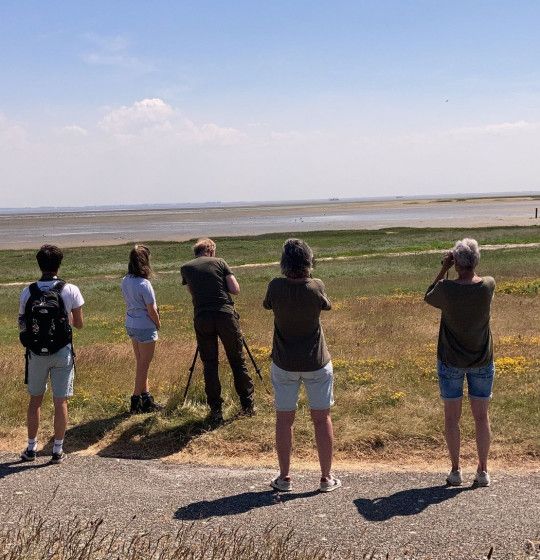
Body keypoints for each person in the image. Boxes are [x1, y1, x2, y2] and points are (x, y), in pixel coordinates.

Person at [263, 238, 341, 493]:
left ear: (284, 263)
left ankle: (284, 478)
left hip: (284, 362)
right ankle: (326, 478)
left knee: (284, 420)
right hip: (316, 361)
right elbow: (326, 305)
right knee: (322, 419)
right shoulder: (315, 286)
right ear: (309, 261)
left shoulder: (275, 286)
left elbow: (267, 304)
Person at [425, 238, 495, 487]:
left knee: (452, 418)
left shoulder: (446, 289)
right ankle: (483, 470)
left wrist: (444, 267)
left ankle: (455, 470)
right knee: (481, 417)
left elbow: (428, 296)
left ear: (456, 263)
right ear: (476, 261)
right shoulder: (488, 286)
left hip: (450, 360)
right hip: (482, 359)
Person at [18, 245, 84, 464]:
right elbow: (80, 324)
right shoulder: (70, 289)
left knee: (35, 401)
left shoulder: (28, 291)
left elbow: (22, 323)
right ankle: (57, 450)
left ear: (39, 264)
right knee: (60, 401)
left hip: (36, 353)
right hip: (62, 350)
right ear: (59, 264)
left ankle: (31, 448)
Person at [181, 238, 255, 423]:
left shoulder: (186, 268)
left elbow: (192, 291)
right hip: (225, 315)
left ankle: (216, 410)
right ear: (211, 250)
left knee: (210, 364)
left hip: (202, 317)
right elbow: (235, 289)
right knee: (237, 360)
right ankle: (247, 404)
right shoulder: (220, 262)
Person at [121, 244, 162, 413]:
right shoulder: (144, 284)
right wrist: (158, 324)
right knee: (143, 365)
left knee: (141, 363)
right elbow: (151, 309)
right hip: (145, 325)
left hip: (131, 323)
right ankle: (136, 400)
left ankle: (146, 398)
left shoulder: (125, 280)